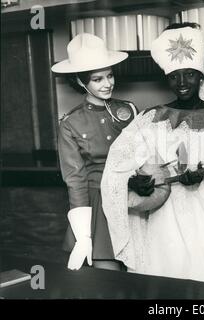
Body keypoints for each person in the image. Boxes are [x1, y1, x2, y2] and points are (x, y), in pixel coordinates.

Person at [101, 23, 204, 284]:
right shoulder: (150, 118)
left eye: (189, 74)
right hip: (162, 218)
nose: (182, 83)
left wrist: (202, 178)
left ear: (200, 75)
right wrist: (134, 180)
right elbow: (119, 163)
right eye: (174, 76)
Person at [51, 33, 138, 271]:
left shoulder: (129, 110)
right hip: (98, 208)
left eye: (109, 76)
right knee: (110, 282)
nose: (107, 83)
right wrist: (83, 235)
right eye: (97, 79)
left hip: (134, 200)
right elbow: (75, 180)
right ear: (81, 82)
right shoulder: (71, 123)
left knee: (143, 281)